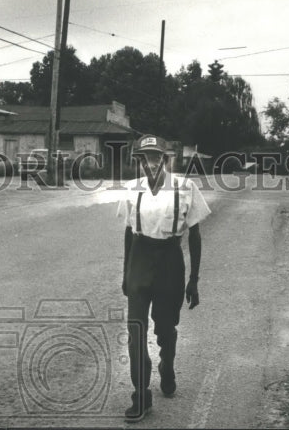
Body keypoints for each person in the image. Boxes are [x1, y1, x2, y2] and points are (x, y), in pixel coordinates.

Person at [115, 134, 211, 422]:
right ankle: (141, 395)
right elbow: (129, 232)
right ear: (140, 161)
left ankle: (167, 364)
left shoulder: (185, 187)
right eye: (146, 157)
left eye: (156, 157)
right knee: (136, 330)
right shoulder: (133, 189)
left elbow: (194, 234)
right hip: (141, 259)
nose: (151, 162)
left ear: (165, 159)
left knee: (165, 328)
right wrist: (125, 273)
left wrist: (194, 279)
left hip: (170, 260)